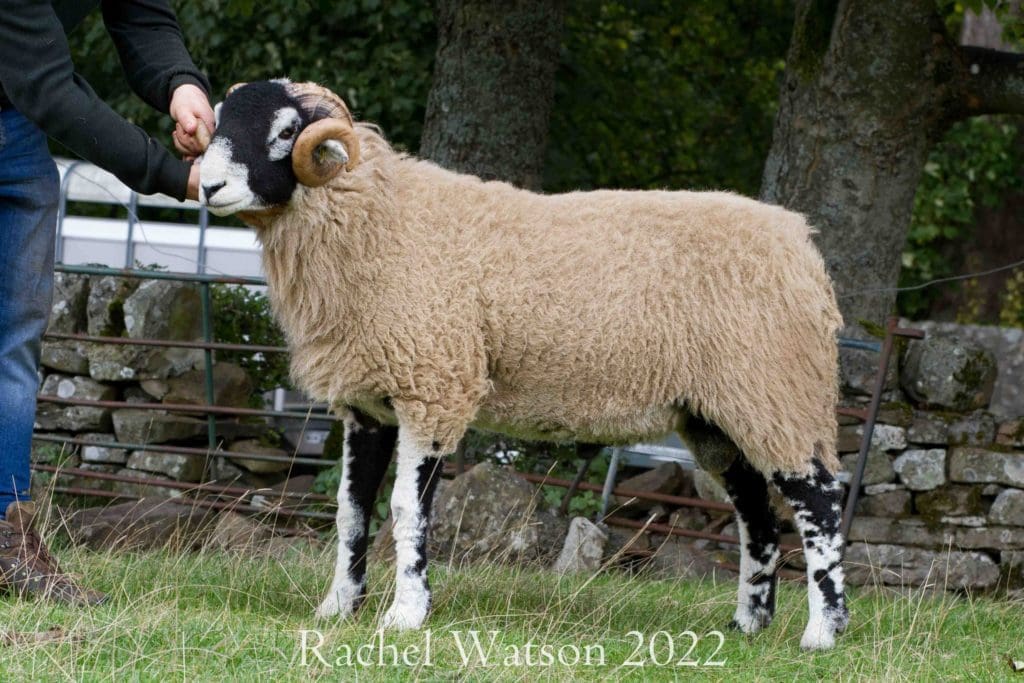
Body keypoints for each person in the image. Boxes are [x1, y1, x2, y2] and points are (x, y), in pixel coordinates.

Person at [0, 1, 215, 605]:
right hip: (27, 97)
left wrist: (182, 86)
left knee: (13, 340)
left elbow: (140, 13)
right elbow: (49, 89)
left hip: (13, 127)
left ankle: (6, 540)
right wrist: (173, 178)